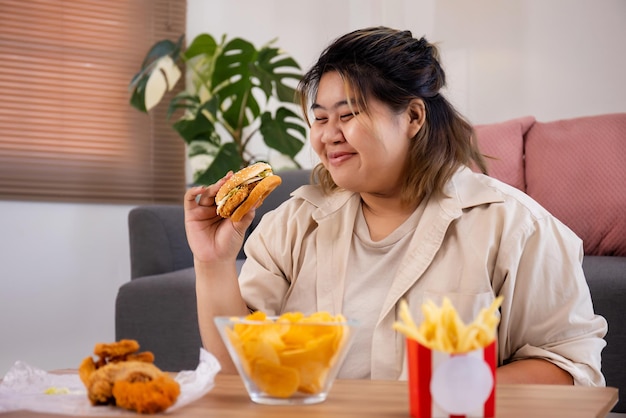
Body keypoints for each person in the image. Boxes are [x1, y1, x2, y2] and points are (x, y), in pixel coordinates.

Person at [184, 26, 607, 385]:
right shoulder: (292, 224)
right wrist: (213, 262)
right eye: (319, 118)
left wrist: (438, 390)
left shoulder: (515, 226)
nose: (328, 135)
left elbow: (571, 368)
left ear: (414, 117)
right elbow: (235, 374)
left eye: (347, 114)